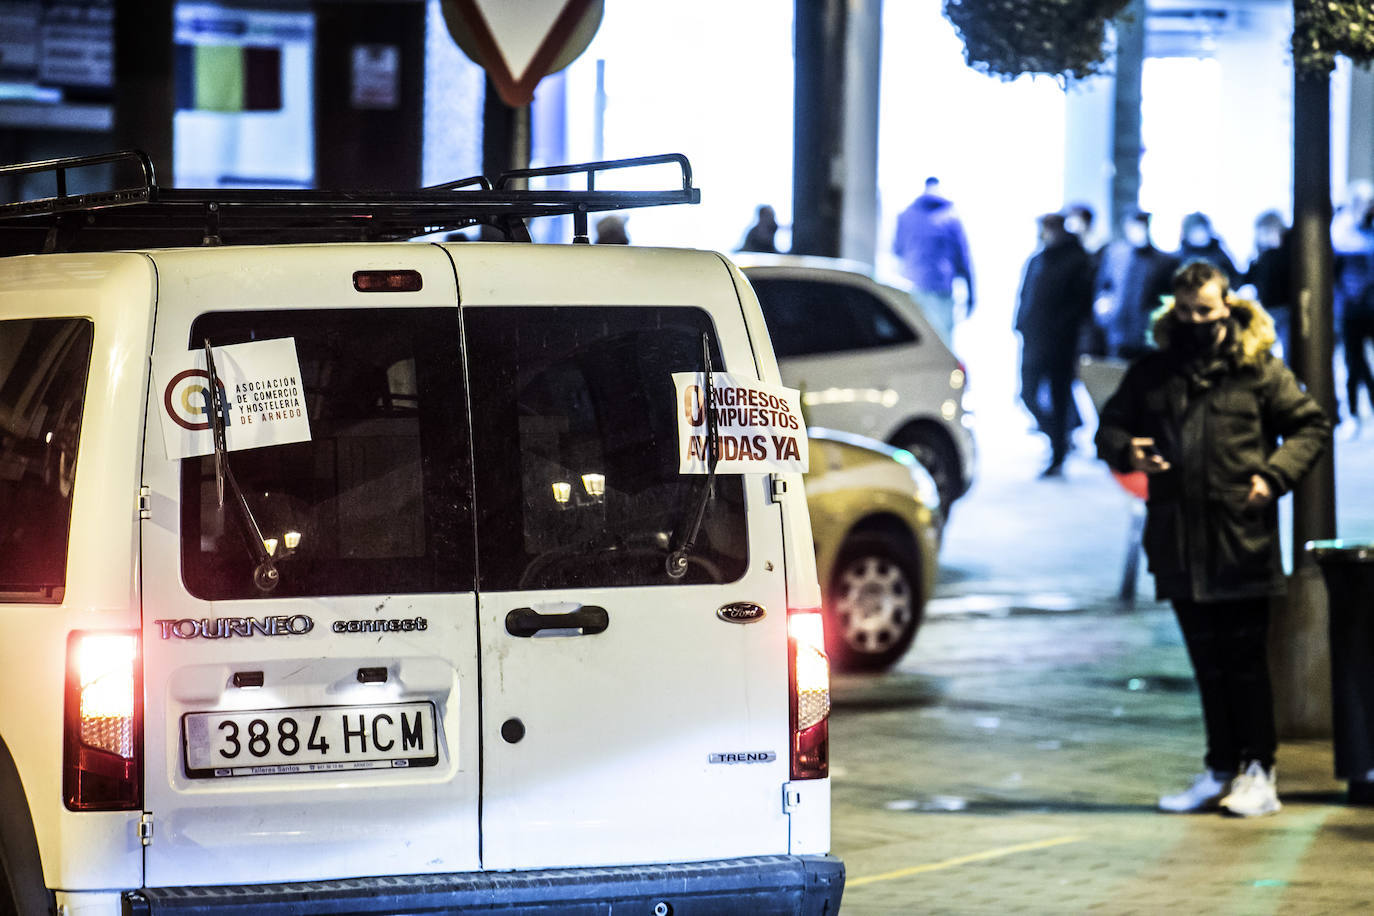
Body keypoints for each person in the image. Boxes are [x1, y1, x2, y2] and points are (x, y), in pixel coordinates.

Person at [1095, 260, 1331, 818]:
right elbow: (1111, 426)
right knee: (1208, 663)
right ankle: (1220, 767)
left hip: (1240, 539)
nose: (1196, 320)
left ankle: (1259, 771)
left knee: (1245, 662)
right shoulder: (1155, 371)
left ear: (1228, 307)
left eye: (1206, 310)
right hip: (1179, 541)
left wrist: (1272, 479)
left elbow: (1310, 424)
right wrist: (1129, 451)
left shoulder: (1257, 370)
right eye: (1186, 311)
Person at [1014, 213, 1096, 477]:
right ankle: (1059, 436)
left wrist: (1063, 331)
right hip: (1033, 340)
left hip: (1061, 344)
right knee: (1027, 393)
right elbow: (1025, 295)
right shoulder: (1038, 259)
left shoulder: (1077, 260)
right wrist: (1021, 325)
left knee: (1060, 399)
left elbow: (1081, 305)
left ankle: (1059, 450)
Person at [893, 177, 974, 339]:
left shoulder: (907, 214)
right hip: (941, 288)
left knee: (918, 340)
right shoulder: (951, 217)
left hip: (913, 286)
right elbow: (963, 258)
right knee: (942, 342)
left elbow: (897, 250)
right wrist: (972, 294)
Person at [1094, 211, 1179, 359]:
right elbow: (1104, 285)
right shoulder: (1115, 254)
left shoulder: (1165, 261)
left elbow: (1171, 297)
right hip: (1117, 331)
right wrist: (1103, 306)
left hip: (1147, 334)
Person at [1334, 201, 1374, 429]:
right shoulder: (1343, 235)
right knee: (1353, 360)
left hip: (1367, 306)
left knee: (1357, 360)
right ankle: (1353, 410)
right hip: (1351, 309)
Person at [1241, 210, 1292, 359]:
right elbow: (1248, 279)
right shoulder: (1261, 256)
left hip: (1285, 309)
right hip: (1266, 309)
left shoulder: (1287, 252)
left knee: (1289, 351)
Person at [1177, 212, 1239, 286]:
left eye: (1201, 230)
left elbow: (1235, 280)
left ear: (1208, 231)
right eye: (1195, 231)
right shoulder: (1179, 257)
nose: (1199, 235)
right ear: (1187, 233)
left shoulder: (1219, 255)